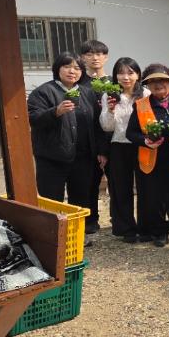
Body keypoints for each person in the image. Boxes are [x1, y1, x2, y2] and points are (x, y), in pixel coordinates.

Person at [27, 52, 106, 225]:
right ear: (57, 69)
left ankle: (77, 235)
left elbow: (96, 124)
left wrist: (101, 151)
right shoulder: (43, 92)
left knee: (80, 198)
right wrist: (56, 112)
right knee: (52, 199)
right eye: (67, 66)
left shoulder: (87, 93)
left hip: (82, 157)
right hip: (52, 157)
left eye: (77, 68)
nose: (72, 71)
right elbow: (33, 119)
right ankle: (52, 236)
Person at [126, 64, 169, 246]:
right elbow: (131, 133)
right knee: (156, 198)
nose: (158, 85)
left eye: (162, 81)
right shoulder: (140, 105)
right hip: (153, 159)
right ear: (147, 85)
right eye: (153, 82)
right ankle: (159, 232)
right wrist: (145, 141)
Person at [100, 58, 148, 242]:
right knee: (120, 188)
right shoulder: (109, 95)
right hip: (118, 145)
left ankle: (145, 226)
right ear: (115, 75)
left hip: (142, 144)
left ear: (138, 75)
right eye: (121, 73)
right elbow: (106, 126)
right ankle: (125, 228)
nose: (126, 77)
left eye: (130, 72)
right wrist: (110, 110)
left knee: (145, 186)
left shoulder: (145, 93)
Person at [78, 39, 111, 239]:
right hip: (87, 140)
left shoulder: (114, 82)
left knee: (116, 183)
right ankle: (91, 220)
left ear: (105, 57)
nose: (95, 58)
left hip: (111, 138)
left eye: (99, 54)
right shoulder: (79, 83)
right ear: (83, 58)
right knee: (88, 182)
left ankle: (120, 221)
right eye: (89, 54)